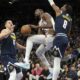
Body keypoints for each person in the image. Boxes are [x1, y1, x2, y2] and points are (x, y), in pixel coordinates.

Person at [48, 0, 72, 80]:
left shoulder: (59, 12)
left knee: (56, 61)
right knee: (57, 59)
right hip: (65, 38)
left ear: (65, 9)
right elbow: (68, 32)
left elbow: (52, 4)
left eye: (64, 6)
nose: (62, 6)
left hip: (59, 38)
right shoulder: (70, 19)